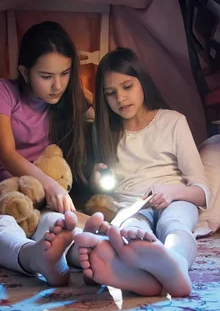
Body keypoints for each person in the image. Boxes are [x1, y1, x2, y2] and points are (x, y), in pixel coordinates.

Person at [0, 21, 101, 287]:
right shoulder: (3, 90)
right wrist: (52, 187)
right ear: (25, 72)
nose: (57, 85)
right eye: (46, 76)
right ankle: (32, 257)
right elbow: (7, 154)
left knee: (56, 222)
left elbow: (105, 114)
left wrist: (81, 91)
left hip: (36, 198)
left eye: (66, 73)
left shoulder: (67, 98)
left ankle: (89, 254)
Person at [74, 47, 211, 297]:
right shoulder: (103, 132)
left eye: (127, 87)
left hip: (175, 199)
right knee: (132, 230)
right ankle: (135, 274)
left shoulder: (173, 121)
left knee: (174, 224)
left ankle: (177, 263)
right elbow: (105, 189)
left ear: (142, 82)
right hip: (131, 205)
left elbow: (202, 192)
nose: (121, 98)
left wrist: (172, 192)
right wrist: (96, 179)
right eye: (110, 93)